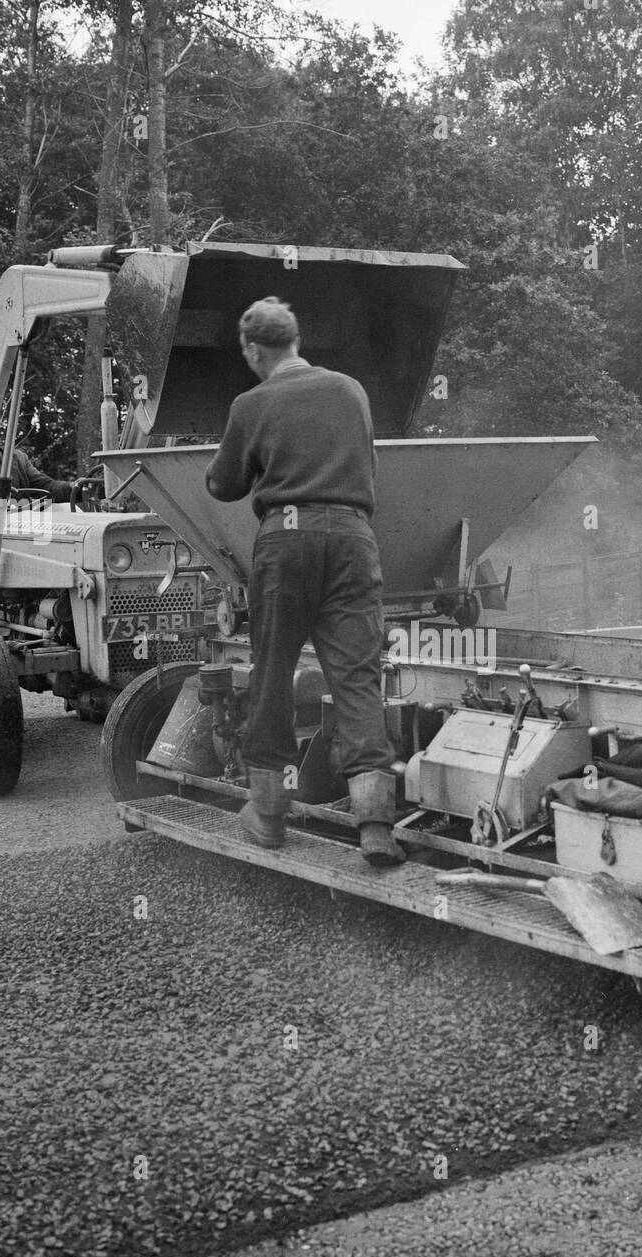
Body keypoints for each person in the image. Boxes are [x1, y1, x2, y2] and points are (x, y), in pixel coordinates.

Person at [205, 296, 404, 867]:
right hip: (351, 537)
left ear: (252, 349)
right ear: (296, 341)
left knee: (271, 675)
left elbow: (224, 486)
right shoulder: (351, 390)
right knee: (358, 679)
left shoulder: (250, 403)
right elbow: (365, 462)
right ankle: (374, 823)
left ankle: (268, 815)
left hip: (285, 543)